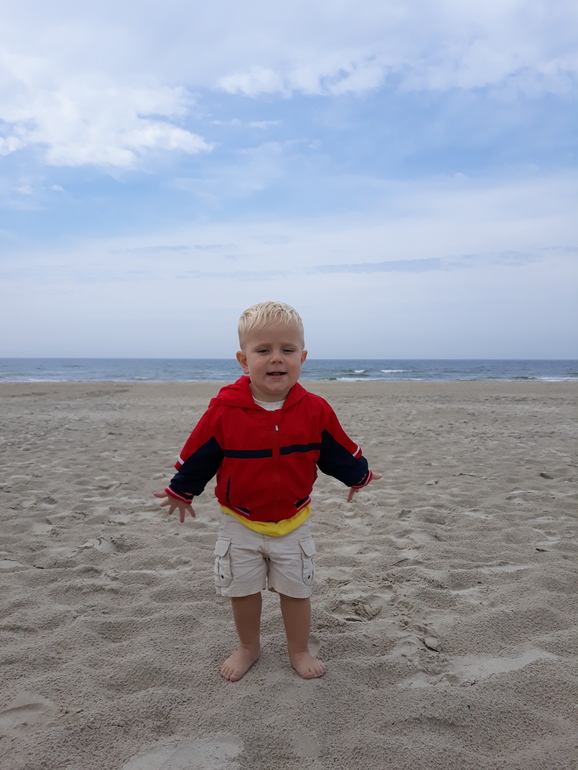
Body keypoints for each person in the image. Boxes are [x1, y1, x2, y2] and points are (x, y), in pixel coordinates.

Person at [154, 301, 381, 681]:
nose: (276, 358)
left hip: (293, 520)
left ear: (302, 358)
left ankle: (298, 649)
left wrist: (358, 476)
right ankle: (248, 646)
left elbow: (336, 450)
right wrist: (182, 490)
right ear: (244, 361)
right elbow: (200, 454)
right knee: (242, 590)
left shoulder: (315, 410)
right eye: (263, 350)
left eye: (287, 350)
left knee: (297, 590)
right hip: (239, 521)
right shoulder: (225, 410)